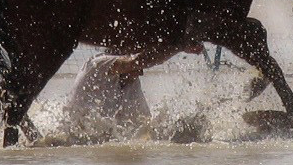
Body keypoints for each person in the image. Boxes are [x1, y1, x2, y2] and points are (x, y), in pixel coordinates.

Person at [56, 44, 202, 144]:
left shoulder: (130, 81)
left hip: (99, 139)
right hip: (74, 141)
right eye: (140, 64)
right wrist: (178, 46)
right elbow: (136, 62)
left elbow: (145, 126)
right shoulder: (98, 64)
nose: (141, 71)